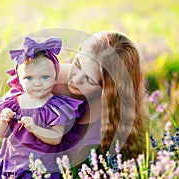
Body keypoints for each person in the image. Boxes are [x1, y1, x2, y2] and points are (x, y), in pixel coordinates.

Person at [0, 36, 83, 179]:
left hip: (38, 167)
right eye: (29, 78)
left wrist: (35, 128)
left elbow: (56, 137)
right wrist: (3, 120)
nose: (37, 83)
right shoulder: (14, 102)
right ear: (19, 79)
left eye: (45, 77)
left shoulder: (55, 107)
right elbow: (0, 134)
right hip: (10, 162)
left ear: (55, 77)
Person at [53, 31, 149, 164]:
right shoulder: (53, 78)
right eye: (78, 65)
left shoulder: (102, 130)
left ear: (109, 90)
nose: (75, 79)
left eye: (89, 80)